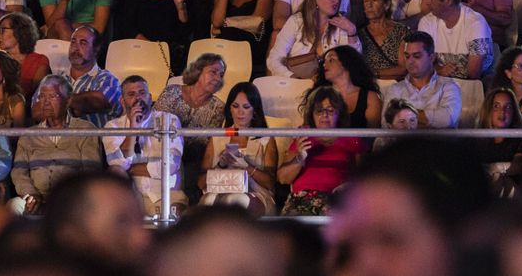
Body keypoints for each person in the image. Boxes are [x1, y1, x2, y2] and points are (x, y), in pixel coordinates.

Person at [11, 73, 106, 213]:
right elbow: (19, 172)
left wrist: (69, 195)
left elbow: (90, 171)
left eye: (52, 96)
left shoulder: (85, 130)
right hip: (35, 199)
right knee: (13, 206)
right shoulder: (28, 135)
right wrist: (31, 193)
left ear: (67, 101)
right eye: (42, 97)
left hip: (71, 200)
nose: (45, 102)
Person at [103, 74, 187, 217]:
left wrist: (130, 168)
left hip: (164, 193)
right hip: (131, 196)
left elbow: (170, 165)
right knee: (116, 172)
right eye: (131, 94)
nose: (138, 98)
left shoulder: (169, 120)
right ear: (123, 101)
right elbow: (117, 164)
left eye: (142, 93)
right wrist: (133, 129)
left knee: (177, 215)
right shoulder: (112, 126)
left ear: (150, 97)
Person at [276, 86, 368, 213]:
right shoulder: (303, 135)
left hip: (337, 199)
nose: (325, 115)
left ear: (339, 113)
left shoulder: (351, 137)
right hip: (302, 199)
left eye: (330, 110)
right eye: (319, 111)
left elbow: (364, 179)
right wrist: (300, 156)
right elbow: (283, 179)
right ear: (312, 114)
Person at [198, 83, 278, 214]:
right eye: (235, 106)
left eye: (246, 107)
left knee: (235, 199)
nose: (240, 112)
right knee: (209, 200)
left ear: (254, 110)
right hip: (219, 192)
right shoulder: (217, 138)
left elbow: (270, 183)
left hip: (256, 194)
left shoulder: (265, 139)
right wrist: (220, 165)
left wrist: (246, 166)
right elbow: (201, 183)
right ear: (230, 109)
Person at [267, 0, 360, 78]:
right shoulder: (296, 21)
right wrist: (293, 78)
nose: (336, 0)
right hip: (294, 82)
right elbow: (274, 60)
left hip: (328, 84)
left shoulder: (341, 25)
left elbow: (352, 64)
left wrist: (352, 32)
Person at [417, 0, 494, 82]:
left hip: (474, 84)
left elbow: (474, 73)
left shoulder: (476, 23)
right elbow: (421, 62)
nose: (428, 3)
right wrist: (438, 70)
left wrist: (441, 73)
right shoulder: (427, 22)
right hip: (438, 82)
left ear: (448, 1)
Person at [385, 31, 461, 128]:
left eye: (416, 56)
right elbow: (386, 124)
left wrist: (401, 118)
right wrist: (427, 121)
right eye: (407, 56)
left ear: (432, 57)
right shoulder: (394, 89)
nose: (410, 61)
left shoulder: (448, 86)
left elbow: (447, 119)